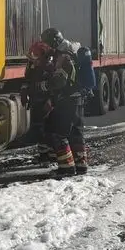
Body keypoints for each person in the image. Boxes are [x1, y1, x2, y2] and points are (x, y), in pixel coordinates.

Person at [35, 27, 89, 176]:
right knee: (76, 134)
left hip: (67, 100)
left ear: (54, 41)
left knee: (59, 134)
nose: (46, 47)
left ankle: (67, 168)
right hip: (77, 98)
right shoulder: (71, 51)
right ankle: (81, 165)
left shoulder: (63, 56)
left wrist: (42, 86)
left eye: (47, 43)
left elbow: (59, 81)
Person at [23, 40, 56, 165]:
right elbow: (27, 79)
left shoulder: (51, 65)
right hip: (36, 100)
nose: (33, 57)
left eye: (35, 54)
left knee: (49, 128)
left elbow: (55, 85)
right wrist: (24, 91)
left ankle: (52, 155)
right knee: (38, 128)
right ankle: (43, 154)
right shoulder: (32, 65)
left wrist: (51, 100)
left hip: (46, 101)